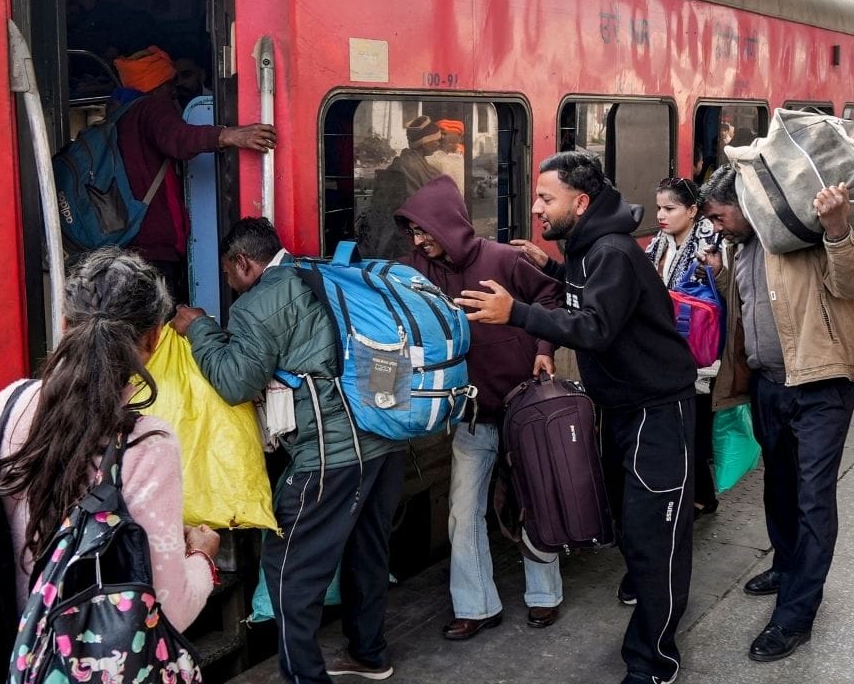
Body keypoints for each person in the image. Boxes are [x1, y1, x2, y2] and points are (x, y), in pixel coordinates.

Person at [458, 151, 698, 684]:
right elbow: (588, 293)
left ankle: (654, 662)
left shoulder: (611, 251)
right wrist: (550, 269)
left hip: (656, 413)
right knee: (634, 531)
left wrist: (517, 313)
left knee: (657, 542)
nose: (536, 209)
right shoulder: (588, 249)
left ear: (581, 202)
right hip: (623, 409)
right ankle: (649, 611)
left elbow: (595, 327)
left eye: (547, 198)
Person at [171, 218, 405, 683]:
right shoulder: (317, 272)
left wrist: (199, 328)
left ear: (243, 262)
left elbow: (235, 383)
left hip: (332, 454)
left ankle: (304, 677)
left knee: (287, 567)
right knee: (367, 548)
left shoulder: (260, 302)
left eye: (228, 273)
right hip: (384, 437)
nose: (229, 284)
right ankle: (369, 654)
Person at [0, 249, 217, 633]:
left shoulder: (8, 405)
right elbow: (168, 609)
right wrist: (202, 559)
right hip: (70, 657)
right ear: (153, 339)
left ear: (64, 324)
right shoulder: (148, 444)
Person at [699, 168, 854, 663]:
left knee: (813, 498)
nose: (717, 226)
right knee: (778, 484)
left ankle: (796, 615)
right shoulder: (742, 247)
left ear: (747, 205)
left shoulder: (803, 232)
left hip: (821, 382)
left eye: (720, 216)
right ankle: (785, 563)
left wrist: (837, 229)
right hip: (769, 384)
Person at [392, 175, 566, 639]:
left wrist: (544, 348)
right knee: (462, 510)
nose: (418, 241)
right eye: (413, 233)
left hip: (523, 407)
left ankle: (544, 595)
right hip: (470, 415)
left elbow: (550, 296)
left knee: (533, 500)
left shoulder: (503, 259)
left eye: (424, 231)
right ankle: (476, 605)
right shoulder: (416, 269)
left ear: (447, 224)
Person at [113, 46, 277, 298]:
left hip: (129, 239)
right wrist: (229, 135)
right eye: (170, 84)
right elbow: (178, 138)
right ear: (158, 86)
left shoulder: (122, 116)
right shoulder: (152, 108)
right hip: (153, 243)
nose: (174, 91)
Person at [646, 176, 722, 516]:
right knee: (682, 427)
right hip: (670, 346)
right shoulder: (660, 243)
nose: (661, 215)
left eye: (670, 208)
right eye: (659, 208)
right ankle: (698, 494)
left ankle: (698, 496)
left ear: (692, 211)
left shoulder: (709, 244)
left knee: (692, 427)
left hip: (698, 351)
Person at [360, 116, 445, 259]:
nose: (438, 143)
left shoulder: (413, 164)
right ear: (425, 143)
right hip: (407, 236)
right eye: (436, 139)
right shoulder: (410, 166)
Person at [428, 119, 467, 193]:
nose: (443, 137)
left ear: (460, 139)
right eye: (442, 134)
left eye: (445, 134)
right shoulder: (433, 157)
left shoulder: (462, 154)